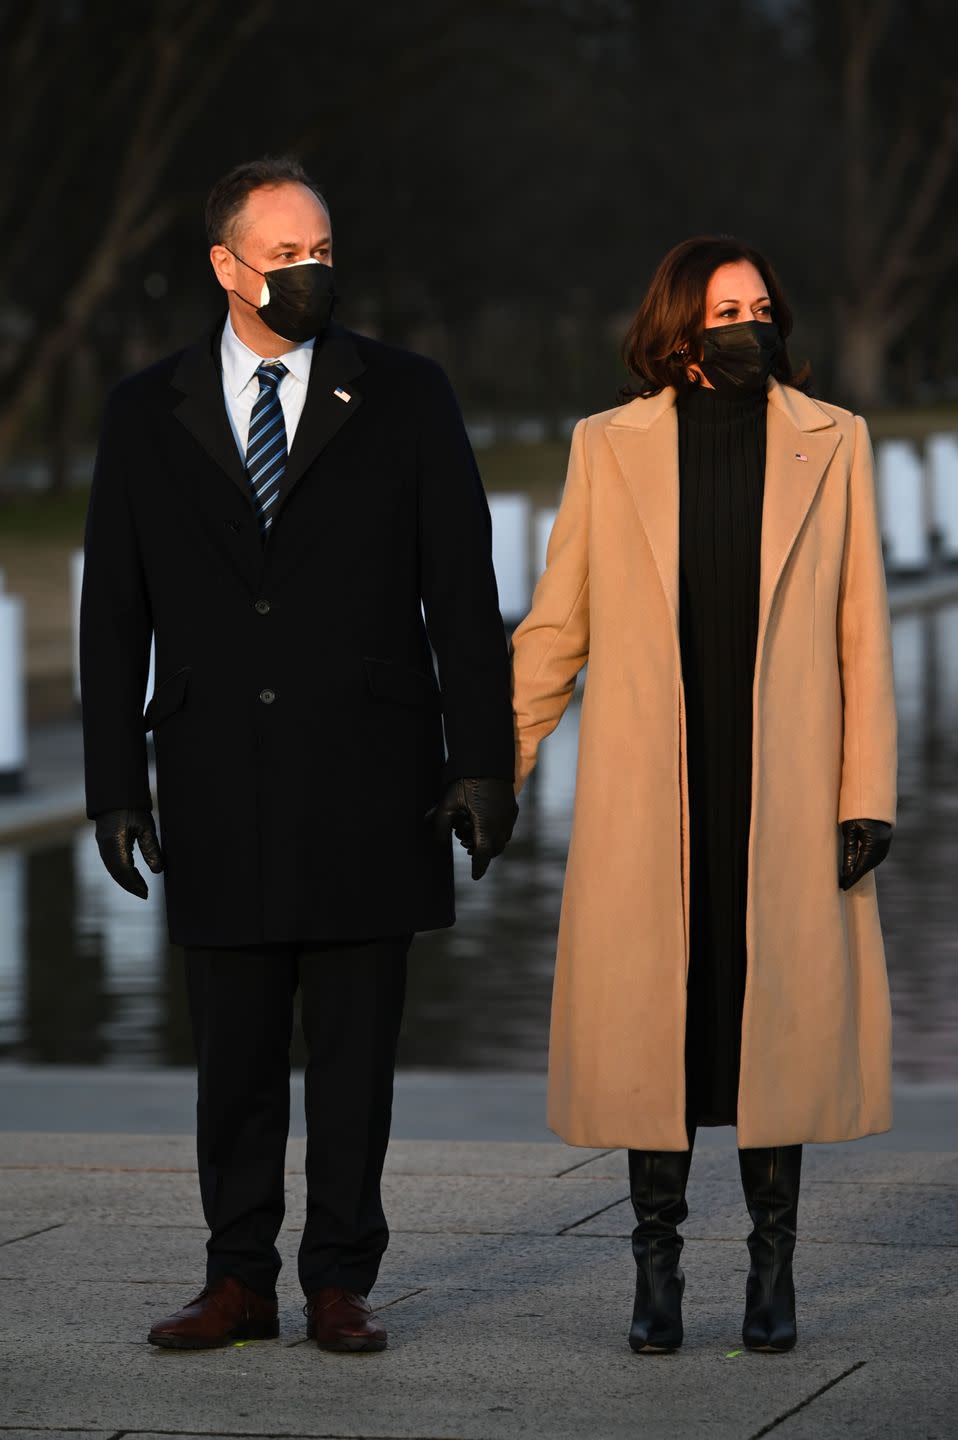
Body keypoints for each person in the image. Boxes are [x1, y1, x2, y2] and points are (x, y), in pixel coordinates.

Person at [80, 156, 518, 1353]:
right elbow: (112, 613)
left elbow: (463, 591)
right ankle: (236, 1279)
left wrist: (485, 759)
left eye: (322, 251)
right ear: (226, 268)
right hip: (217, 775)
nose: (310, 272)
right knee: (231, 1053)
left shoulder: (406, 394)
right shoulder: (144, 411)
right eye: (285, 257)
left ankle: (337, 1279)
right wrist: (113, 782)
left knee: (354, 1052)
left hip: (371, 774)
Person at [510, 235, 897, 1355]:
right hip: (649, 792)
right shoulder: (606, 446)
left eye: (762, 306)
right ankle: (656, 1271)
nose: (750, 326)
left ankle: (771, 1272)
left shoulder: (834, 443)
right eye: (726, 309)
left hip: (783, 791)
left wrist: (864, 789)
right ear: (678, 329)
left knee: (770, 1035)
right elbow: (555, 628)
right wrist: (499, 761)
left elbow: (861, 631)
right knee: (657, 1039)